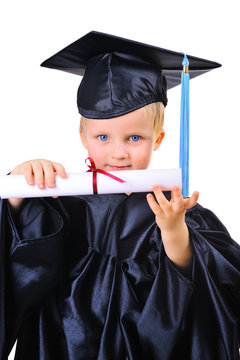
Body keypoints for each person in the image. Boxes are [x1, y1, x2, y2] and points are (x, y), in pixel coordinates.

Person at [0, 31, 240, 360]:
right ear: (82, 136)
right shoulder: (62, 204)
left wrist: (173, 230)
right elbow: (21, 261)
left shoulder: (175, 208)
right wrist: (19, 189)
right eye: (102, 136)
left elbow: (197, 286)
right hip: (66, 347)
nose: (118, 153)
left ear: (158, 138)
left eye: (134, 138)